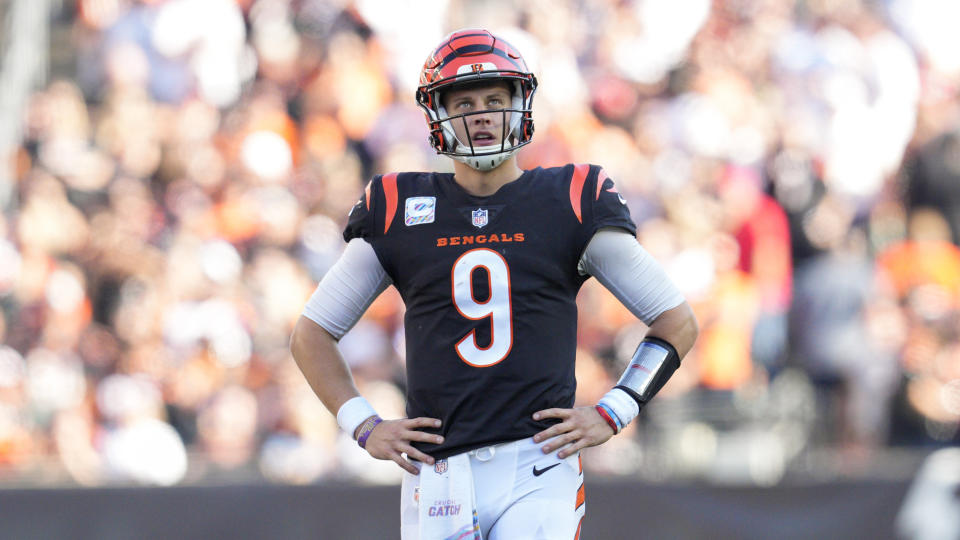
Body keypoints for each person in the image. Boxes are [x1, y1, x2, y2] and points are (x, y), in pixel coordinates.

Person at [290, 28, 698, 540]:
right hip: (438, 473)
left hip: (539, 463)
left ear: (520, 104)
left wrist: (615, 410)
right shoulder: (397, 207)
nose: (481, 113)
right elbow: (311, 333)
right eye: (465, 102)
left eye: (494, 99)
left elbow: (675, 319)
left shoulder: (570, 198)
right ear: (437, 113)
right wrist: (363, 424)